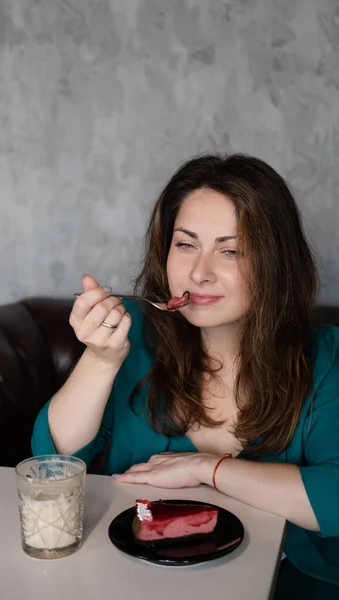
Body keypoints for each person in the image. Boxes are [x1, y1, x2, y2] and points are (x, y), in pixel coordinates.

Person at [32, 154, 339, 599]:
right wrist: (100, 360)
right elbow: (50, 462)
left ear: (277, 262)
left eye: (230, 250)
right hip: (133, 582)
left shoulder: (326, 355)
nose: (199, 272)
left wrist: (206, 468)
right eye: (186, 244)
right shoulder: (133, 334)